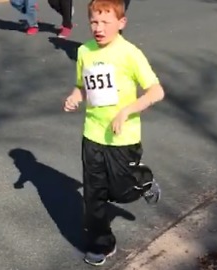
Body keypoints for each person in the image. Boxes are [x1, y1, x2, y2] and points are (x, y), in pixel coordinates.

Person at [62, 0, 165, 266]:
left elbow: (156, 91)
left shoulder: (130, 53)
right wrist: (74, 97)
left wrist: (127, 110)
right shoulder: (85, 51)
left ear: (121, 23)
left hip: (123, 138)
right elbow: (81, 86)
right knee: (94, 194)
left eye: (106, 22)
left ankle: (144, 179)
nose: (99, 28)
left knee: (121, 191)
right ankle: (101, 242)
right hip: (93, 135)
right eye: (94, 22)